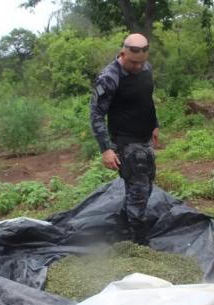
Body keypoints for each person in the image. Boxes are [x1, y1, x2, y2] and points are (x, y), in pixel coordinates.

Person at [90, 33, 159, 245]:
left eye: (141, 62)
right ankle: (138, 245)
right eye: (132, 62)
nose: (137, 66)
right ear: (122, 53)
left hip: (144, 137)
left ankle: (123, 225)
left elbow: (146, 98)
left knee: (146, 184)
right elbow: (96, 114)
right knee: (138, 190)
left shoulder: (145, 68)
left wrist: (154, 124)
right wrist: (106, 149)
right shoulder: (109, 77)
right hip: (126, 141)